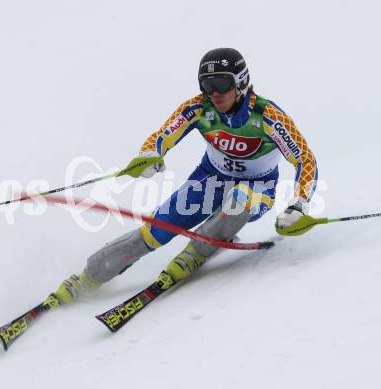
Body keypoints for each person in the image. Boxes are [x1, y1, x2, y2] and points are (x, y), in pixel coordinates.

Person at [54, 48, 318, 304]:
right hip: (210, 180)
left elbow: (305, 159)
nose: (214, 93)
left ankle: (197, 251)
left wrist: (299, 203)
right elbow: (161, 137)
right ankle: (88, 276)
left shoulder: (268, 116)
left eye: (221, 83)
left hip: (258, 187)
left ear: (241, 82)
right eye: (206, 84)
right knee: (155, 231)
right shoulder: (199, 108)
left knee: (240, 199)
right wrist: (148, 156)